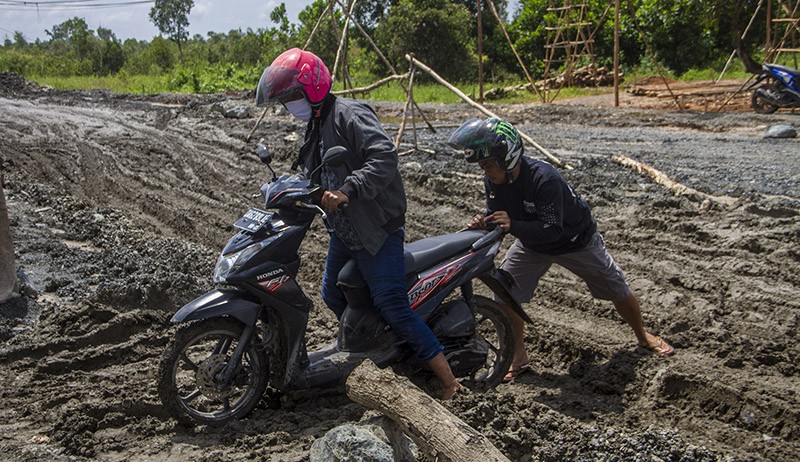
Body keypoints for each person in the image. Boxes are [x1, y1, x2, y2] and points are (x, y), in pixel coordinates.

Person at [255, 48, 462, 399]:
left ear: (313, 88)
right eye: (286, 99)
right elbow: (313, 171)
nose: (290, 105)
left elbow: (384, 156)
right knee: (332, 293)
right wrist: (283, 187)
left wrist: (349, 189)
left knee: (392, 304)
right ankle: (373, 346)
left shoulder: (349, 114)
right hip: (344, 227)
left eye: (292, 96)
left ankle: (449, 381)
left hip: (376, 228)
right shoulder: (316, 124)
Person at [447, 116, 674, 382]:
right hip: (532, 244)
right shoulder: (494, 182)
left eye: (487, 165)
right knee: (504, 290)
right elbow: (498, 216)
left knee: (616, 287)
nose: (485, 172)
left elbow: (552, 229)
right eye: (482, 167)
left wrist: (513, 224)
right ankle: (519, 356)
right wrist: (484, 224)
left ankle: (642, 335)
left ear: (507, 157)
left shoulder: (544, 179)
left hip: (575, 241)